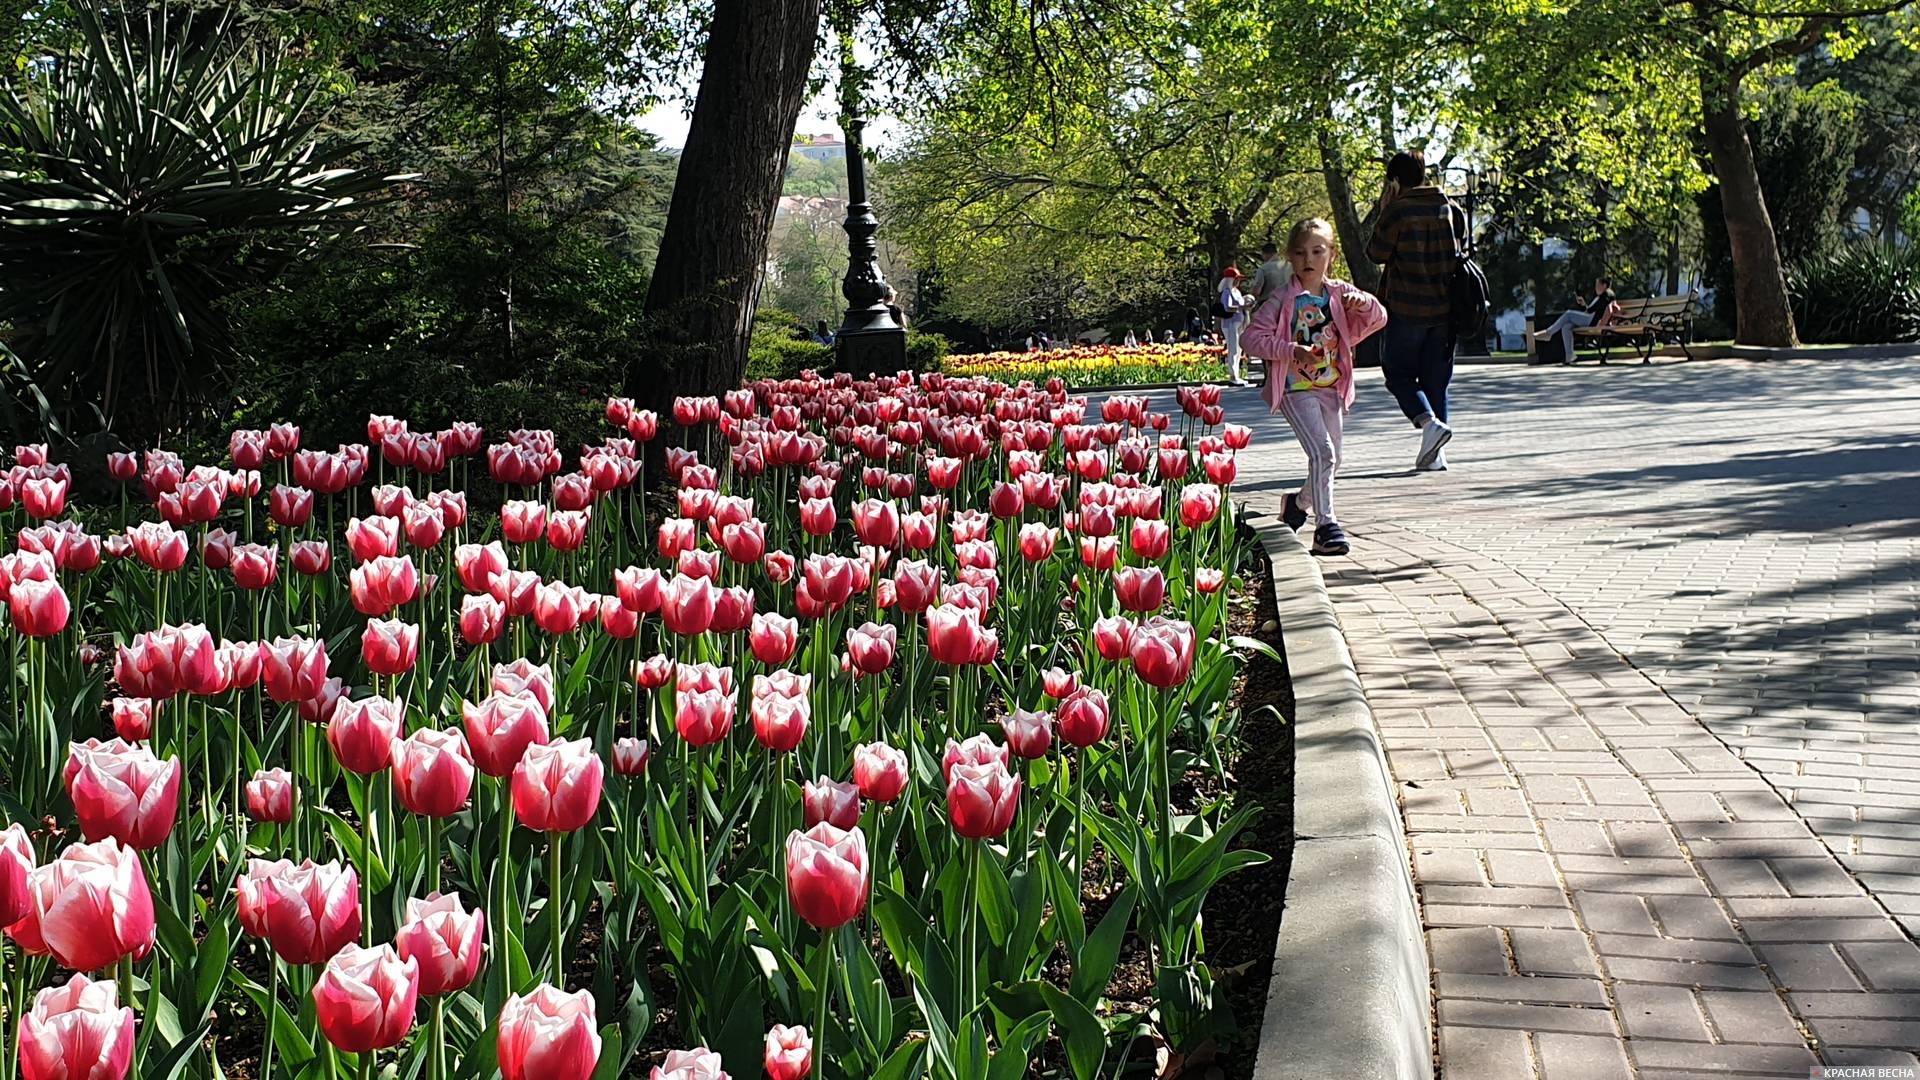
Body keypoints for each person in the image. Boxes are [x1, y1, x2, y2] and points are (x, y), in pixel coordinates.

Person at [1245, 218, 1388, 557]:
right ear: (1289, 259)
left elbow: (1379, 317)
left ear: (1331, 256)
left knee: (1333, 460)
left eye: (1317, 251)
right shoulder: (1282, 300)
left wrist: (1364, 305)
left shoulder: (1340, 294)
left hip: (1331, 388)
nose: (1308, 259)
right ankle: (1326, 526)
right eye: (1299, 252)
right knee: (1323, 453)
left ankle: (1297, 505)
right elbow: (1251, 339)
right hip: (1296, 389)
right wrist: (1290, 350)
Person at [1367, 149, 1468, 472]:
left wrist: (1384, 210)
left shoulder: (1398, 211)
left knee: (1398, 375)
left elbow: (1376, 253)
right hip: (1446, 309)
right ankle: (1435, 456)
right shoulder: (1451, 208)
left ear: (1395, 181)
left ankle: (1428, 424)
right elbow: (1461, 250)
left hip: (1407, 307)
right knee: (1436, 380)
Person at [1532, 276, 1620, 363]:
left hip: (1593, 321)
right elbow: (1590, 310)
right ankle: (1569, 356)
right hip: (1591, 319)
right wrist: (1584, 304)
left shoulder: (1606, 295)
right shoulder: (1603, 296)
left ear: (1604, 285)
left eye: (1597, 285)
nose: (1596, 288)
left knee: (1568, 313)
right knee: (1566, 326)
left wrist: (1601, 321)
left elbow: (1593, 310)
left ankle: (1548, 333)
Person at [1216, 266, 1255, 385]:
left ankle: (1236, 374)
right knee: (1233, 349)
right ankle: (1233, 375)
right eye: (1236, 279)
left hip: (1239, 323)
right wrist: (1241, 307)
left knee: (1238, 350)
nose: (1238, 281)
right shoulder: (1226, 292)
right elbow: (1227, 308)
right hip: (1230, 324)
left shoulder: (1237, 292)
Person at [1249, 242, 1287, 308]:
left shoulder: (1263, 269)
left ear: (1266, 254)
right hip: (1286, 304)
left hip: (1267, 305)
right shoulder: (1288, 267)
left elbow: (1256, 290)